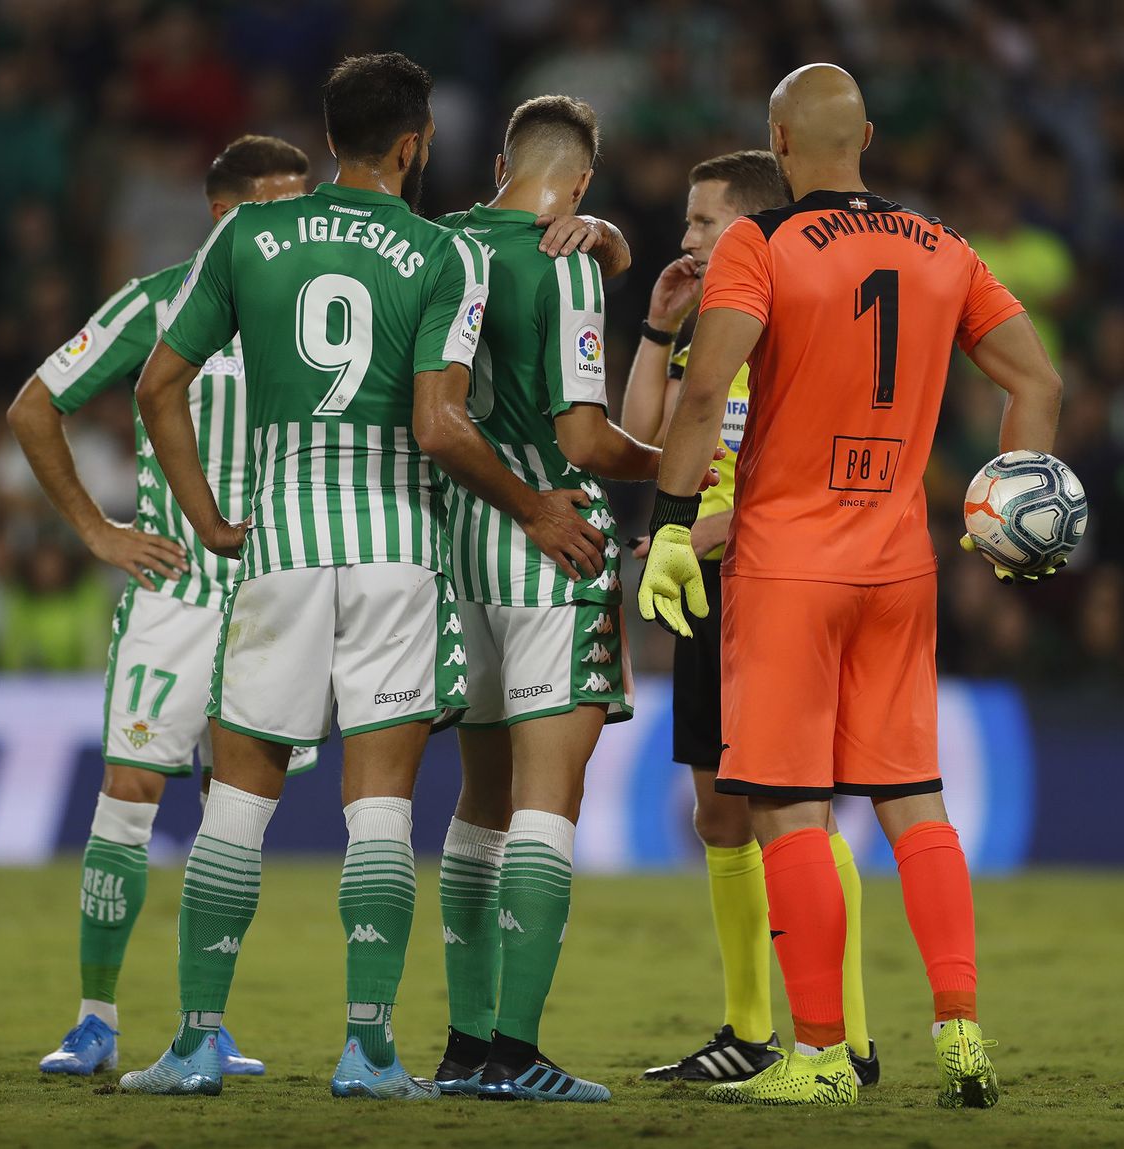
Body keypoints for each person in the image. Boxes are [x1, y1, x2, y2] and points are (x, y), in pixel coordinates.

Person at [117, 53, 604, 1099]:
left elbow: (161, 385)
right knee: (378, 809)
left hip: (278, 542)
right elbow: (439, 425)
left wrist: (205, 515)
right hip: (396, 549)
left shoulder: (244, 235)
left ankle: (198, 1041)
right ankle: (368, 1048)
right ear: (416, 143)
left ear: (330, 134)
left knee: (237, 805)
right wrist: (531, 505)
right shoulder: (439, 254)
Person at [640, 64, 1063, 1107]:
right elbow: (1037, 382)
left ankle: (822, 1056)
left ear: (778, 141)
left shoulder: (763, 244)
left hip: (786, 565)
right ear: (866, 134)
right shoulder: (945, 249)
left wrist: (662, 526)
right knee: (916, 808)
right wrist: (1010, 498)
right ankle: (960, 1031)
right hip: (899, 562)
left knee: (789, 814)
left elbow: (702, 396)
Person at [7, 134, 315, 1080]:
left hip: (275, 591)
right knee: (132, 791)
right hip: (177, 590)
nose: (304, 224)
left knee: (236, 811)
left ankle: (204, 1024)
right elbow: (34, 405)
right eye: (282, 207)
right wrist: (98, 530)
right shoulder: (155, 304)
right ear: (227, 215)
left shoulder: (314, 312)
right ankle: (95, 1019)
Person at [430, 95, 676, 1104]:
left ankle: (463, 1047)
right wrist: (677, 472)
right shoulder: (564, 257)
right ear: (579, 185)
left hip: (456, 543)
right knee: (547, 801)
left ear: (500, 163)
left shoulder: (437, 244)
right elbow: (582, 440)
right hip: (553, 544)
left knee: (479, 804)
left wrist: (611, 247)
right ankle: (517, 1051)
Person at [625, 149, 879, 1088]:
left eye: (701, 222)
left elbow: (807, 478)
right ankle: (745, 1028)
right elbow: (645, 436)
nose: (685, 238)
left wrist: (696, 526)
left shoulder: (796, 318)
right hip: (704, 580)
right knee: (719, 813)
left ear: (752, 223)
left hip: (773, 582)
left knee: (793, 815)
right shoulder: (709, 322)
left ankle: (846, 1033)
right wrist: (657, 328)